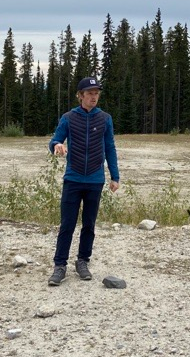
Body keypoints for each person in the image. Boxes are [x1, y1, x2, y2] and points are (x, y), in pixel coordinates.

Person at [47, 76, 120, 286]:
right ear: (80, 96)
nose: (94, 97)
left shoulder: (105, 118)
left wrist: (114, 176)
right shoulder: (68, 118)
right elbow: (54, 140)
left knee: (89, 224)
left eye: (96, 93)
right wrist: (57, 146)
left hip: (95, 180)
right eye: (89, 93)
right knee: (67, 224)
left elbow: (110, 148)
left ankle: (83, 261)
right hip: (73, 179)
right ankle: (60, 265)